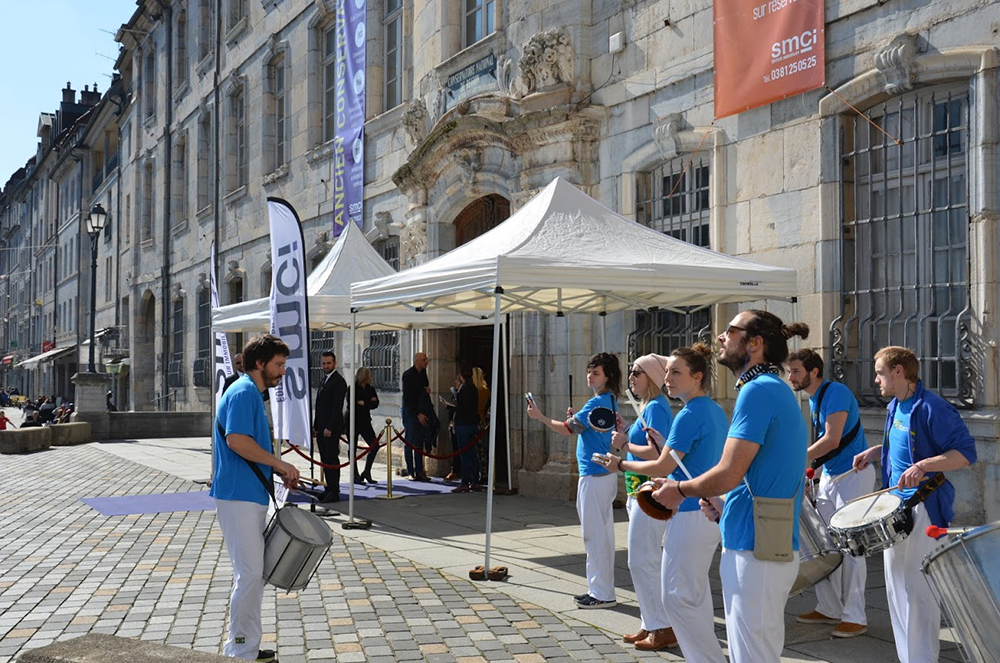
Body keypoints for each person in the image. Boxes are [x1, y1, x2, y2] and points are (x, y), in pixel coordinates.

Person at [654, 310, 809, 663]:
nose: (721, 337)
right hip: (753, 537)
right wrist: (725, 504)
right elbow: (757, 475)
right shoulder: (768, 389)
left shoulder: (759, 391)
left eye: (730, 331)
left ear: (755, 344)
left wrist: (679, 490)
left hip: (757, 547)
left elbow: (728, 472)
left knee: (753, 655)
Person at [599, 344, 728, 660]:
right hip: (704, 509)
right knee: (691, 594)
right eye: (667, 371)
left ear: (697, 377)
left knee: (678, 597)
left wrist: (622, 464)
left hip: (691, 511)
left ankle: (705, 657)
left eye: (676, 372)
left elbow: (662, 466)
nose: (668, 378)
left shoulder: (690, 414)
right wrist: (660, 446)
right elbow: (680, 461)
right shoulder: (712, 409)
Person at [852, 346, 976, 663]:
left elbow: (965, 454)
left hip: (927, 510)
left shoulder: (932, 407)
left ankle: (922, 659)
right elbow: (901, 448)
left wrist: (924, 466)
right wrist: (875, 452)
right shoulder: (896, 404)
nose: (875, 379)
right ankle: (909, 657)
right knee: (896, 589)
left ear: (898, 371)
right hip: (898, 508)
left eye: (880, 372)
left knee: (920, 591)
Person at [211, 334, 300, 662]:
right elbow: (236, 440)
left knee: (253, 574)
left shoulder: (247, 391)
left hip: (244, 494)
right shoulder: (246, 390)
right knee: (249, 574)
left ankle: (245, 644)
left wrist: (277, 471)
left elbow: (247, 447)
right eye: (278, 365)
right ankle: (239, 649)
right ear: (259, 363)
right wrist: (279, 463)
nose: (282, 371)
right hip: (238, 496)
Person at [787, 348, 874, 638]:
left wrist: (797, 459)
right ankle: (829, 608)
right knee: (825, 544)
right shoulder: (815, 398)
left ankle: (855, 616)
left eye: (796, 371)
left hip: (854, 477)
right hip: (833, 477)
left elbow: (832, 439)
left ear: (814, 371)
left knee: (852, 548)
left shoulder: (834, 391)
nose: (791, 377)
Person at [527, 352, 622, 609]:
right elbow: (579, 426)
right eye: (590, 371)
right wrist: (574, 418)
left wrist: (540, 416)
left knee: (594, 536)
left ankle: (601, 594)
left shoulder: (597, 403)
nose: (590, 376)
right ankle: (600, 589)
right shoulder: (609, 400)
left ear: (608, 376)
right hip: (602, 475)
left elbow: (567, 429)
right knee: (601, 536)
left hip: (593, 475)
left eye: (596, 372)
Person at [604, 354, 675, 651]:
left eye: (638, 372)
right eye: (632, 372)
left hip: (649, 490)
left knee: (642, 560)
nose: (631, 377)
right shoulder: (649, 405)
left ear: (653, 377)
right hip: (637, 489)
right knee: (643, 559)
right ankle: (651, 621)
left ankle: (661, 627)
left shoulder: (657, 406)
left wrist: (624, 446)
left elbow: (656, 453)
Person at [313, 351, 348, 502]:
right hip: (321, 427)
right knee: (325, 458)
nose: (326, 366)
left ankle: (334, 489)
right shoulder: (324, 380)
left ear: (335, 363)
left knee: (332, 458)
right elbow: (320, 405)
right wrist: (316, 426)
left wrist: (329, 427)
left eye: (328, 363)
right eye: (323, 363)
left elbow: (336, 407)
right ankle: (328, 487)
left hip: (330, 428)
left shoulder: (338, 381)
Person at [451, 366, 483, 493]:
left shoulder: (463, 389)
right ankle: (475, 480)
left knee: (464, 453)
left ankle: (465, 482)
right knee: (471, 453)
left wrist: (450, 407)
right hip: (472, 423)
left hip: (463, 424)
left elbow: (462, 408)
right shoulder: (474, 388)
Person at [401, 352, 432, 481]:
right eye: (424, 359)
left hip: (421, 409)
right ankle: (410, 470)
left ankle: (419, 470)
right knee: (409, 440)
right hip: (411, 412)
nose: (427, 361)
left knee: (419, 441)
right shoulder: (408, 375)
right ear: (417, 361)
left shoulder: (423, 373)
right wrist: (417, 413)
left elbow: (424, 388)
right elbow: (408, 398)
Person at [352, 367, 381, 485]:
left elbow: (375, 403)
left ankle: (367, 471)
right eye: (369, 375)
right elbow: (352, 403)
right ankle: (355, 475)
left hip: (365, 421)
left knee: (374, 445)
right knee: (352, 449)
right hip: (352, 421)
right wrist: (368, 402)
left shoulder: (370, 388)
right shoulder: (353, 388)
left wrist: (364, 403)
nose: (371, 378)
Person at [471, 366, 491, 484]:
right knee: (482, 449)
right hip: (483, 420)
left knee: (475, 450)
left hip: (474, 420)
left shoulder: (473, 389)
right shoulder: (485, 390)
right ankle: (484, 473)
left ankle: (476, 473)